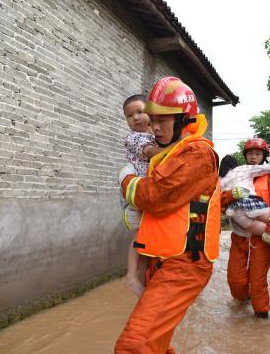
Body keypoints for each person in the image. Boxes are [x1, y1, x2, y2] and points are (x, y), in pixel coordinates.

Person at [115, 77, 220, 354]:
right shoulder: (174, 151)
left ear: (185, 120)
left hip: (183, 264)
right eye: (153, 120)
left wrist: (126, 179)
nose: (155, 127)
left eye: (163, 121)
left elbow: (155, 197)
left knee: (134, 345)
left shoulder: (197, 153)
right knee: (153, 343)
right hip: (161, 260)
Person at [223, 138, 270, 319]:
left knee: (258, 278)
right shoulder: (237, 174)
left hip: (263, 232)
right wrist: (230, 194)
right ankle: (242, 297)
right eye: (250, 153)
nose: (253, 157)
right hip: (240, 233)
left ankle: (261, 311)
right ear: (245, 156)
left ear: (264, 156)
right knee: (235, 279)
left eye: (258, 154)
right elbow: (219, 199)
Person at [120, 94, 165, 297]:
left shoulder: (155, 135)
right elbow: (150, 153)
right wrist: (178, 147)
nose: (135, 118)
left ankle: (141, 278)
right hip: (139, 194)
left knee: (146, 240)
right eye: (130, 115)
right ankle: (131, 275)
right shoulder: (134, 138)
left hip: (150, 193)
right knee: (139, 234)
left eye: (139, 112)